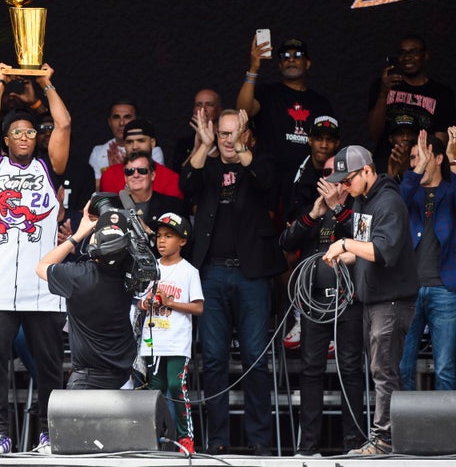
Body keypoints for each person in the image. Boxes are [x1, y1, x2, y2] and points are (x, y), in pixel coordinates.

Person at [0, 62, 71, 456]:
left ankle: (48, 434)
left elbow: (63, 124)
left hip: (42, 284)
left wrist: (47, 83)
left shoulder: (50, 166)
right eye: (17, 132)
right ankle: (0, 435)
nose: (25, 137)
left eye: (31, 131)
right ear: (7, 139)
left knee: (48, 365)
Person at [180, 108, 286, 455]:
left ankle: (260, 439)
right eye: (223, 134)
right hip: (211, 273)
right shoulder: (207, 167)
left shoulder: (260, 161)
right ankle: (218, 440)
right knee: (213, 358)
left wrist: (241, 148)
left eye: (233, 132)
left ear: (245, 133)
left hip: (251, 274)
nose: (227, 140)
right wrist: (203, 145)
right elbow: (186, 185)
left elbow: (267, 181)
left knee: (255, 356)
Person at [323, 145, 417, 455]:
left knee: (384, 371)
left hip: (391, 303)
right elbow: (365, 249)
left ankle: (384, 440)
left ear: (367, 171)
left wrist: (343, 243)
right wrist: (344, 255)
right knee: (382, 369)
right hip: (373, 301)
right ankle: (392, 438)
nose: (345, 187)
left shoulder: (389, 202)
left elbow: (382, 251)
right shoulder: (364, 201)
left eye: (348, 180)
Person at [280, 156, 364, 456]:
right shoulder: (313, 207)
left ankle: (354, 443)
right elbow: (286, 242)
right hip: (315, 302)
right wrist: (313, 215)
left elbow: (365, 241)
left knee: (351, 369)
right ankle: (308, 446)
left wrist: (339, 209)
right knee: (311, 370)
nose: (330, 177)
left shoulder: (359, 205)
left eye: (335, 172)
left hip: (348, 301)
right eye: (326, 172)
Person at [36, 205, 135, 389]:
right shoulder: (129, 276)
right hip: (122, 375)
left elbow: (42, 266)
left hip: (87, 379)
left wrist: (77, 235)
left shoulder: (79, 277)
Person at [236, 36, 334, 221]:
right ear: (279, 64)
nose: (291, 59)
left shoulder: (320, 103)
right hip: (269, 180)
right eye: (285, 56)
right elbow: (243, 110)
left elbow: (332, 143)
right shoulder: (268, 93)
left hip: (305, 182)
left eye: (297, 55)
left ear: (308, 63)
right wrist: (254, 69)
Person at [136, 212, 204, 455]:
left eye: (169, 236)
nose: (161, 241)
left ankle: (186, 439)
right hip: (152, 342)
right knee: (155, 390)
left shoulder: (189, 271)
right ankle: (156, 437)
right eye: (159, 236)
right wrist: (146, 304)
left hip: (176, 343)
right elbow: (139, 302)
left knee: (176, 385)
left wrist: (170, 303)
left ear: (183, 241)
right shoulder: (150, 267)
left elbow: (198, 307)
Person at [399, 130, 456, 391]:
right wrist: (416, 171)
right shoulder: (409, 192)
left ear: (439, 158)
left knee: (444, 367)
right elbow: (395, 207)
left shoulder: (450, 189)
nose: (415, 161)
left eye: (421, 155)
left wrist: (454, 163)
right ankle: (406, 431)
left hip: (444, 290)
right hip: (409, 291)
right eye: (412, 157)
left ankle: (446, 432)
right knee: (402, 367)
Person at [283, 115, 342, 350]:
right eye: (319, 138)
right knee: (291, 254)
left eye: (330, 139)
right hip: (309, 231)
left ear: (337, 143)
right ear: (309, 140)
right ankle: (300, 316)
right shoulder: (299, 169)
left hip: (338, 231)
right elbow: (290, 216)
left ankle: (336, 325)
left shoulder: (344, 165)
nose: (324, 144)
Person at [366, 35, 454, 169]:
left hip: (422, 167)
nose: (407, 57)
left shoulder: (441, 93)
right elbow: (374, 133)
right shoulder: (383, 85)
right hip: (385, 165)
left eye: (413, 52)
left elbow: (440, 141)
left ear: (425, 55)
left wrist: (426, 165)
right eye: (402, 53)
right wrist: (383, 93)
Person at [88, 98, 165, 188]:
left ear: (137, 120)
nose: (121, 123)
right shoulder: (98, 152)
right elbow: (95, 190)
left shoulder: (153, 150)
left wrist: (121, 170)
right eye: (116, 117)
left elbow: (156, 185)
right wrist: (112, 173)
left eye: (127, 117)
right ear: (109, 122)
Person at [100, 119, 183, 199]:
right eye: (129, 142)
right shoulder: (110, 175)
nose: (135, 147)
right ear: (124, 145)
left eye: (141, 140)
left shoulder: (171, 179)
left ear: (152, 143)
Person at [171, 89, 223, 172]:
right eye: (199, 105)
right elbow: (179, 175)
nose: (203, 109)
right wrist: (195, 149)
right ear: (194, 110)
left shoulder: (225, 140)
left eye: (209, 104)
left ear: (219, 111)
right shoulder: (183, 143)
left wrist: (209, 145)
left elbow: (225, 173)